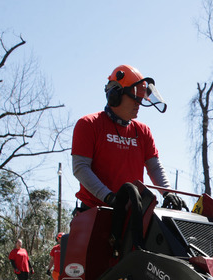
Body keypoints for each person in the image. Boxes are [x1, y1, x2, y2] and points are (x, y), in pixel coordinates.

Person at [71, 64, 176, 252]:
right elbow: (80, 168)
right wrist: (110, 197)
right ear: (115, 94)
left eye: (140, 99)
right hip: (96, 215)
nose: (138, 104)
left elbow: (154, 167)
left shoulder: (142, 131)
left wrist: (168, 192)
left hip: (133, 216)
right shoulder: (89, 124)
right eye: (134, 98)